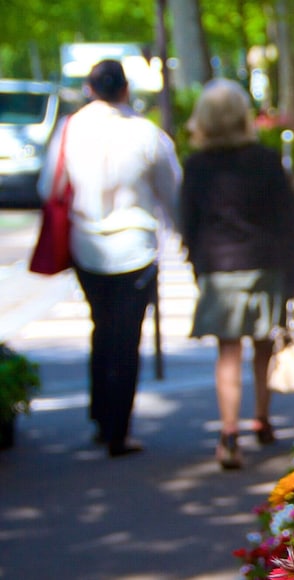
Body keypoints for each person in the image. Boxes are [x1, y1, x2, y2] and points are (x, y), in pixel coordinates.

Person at [36, 60, 182, 457]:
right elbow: (173, 195)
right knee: (126, 338)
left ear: (90, 88)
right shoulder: (146, 133)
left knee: (101, 328)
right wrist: (185, 237)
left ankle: (101, 416)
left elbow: (49, 184)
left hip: (87, 244)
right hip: (135, 246)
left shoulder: (71, 128)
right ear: (125, 89)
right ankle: (119, 427)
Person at [180, 79, 294, 470]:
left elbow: (188, 223)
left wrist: (197, 265)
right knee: (262, 343)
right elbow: (288, 217)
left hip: (219, 266)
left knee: (227, 351)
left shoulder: (196, 165)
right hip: (264, 262)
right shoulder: (265, 159)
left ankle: (228, 433)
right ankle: (262, 418)